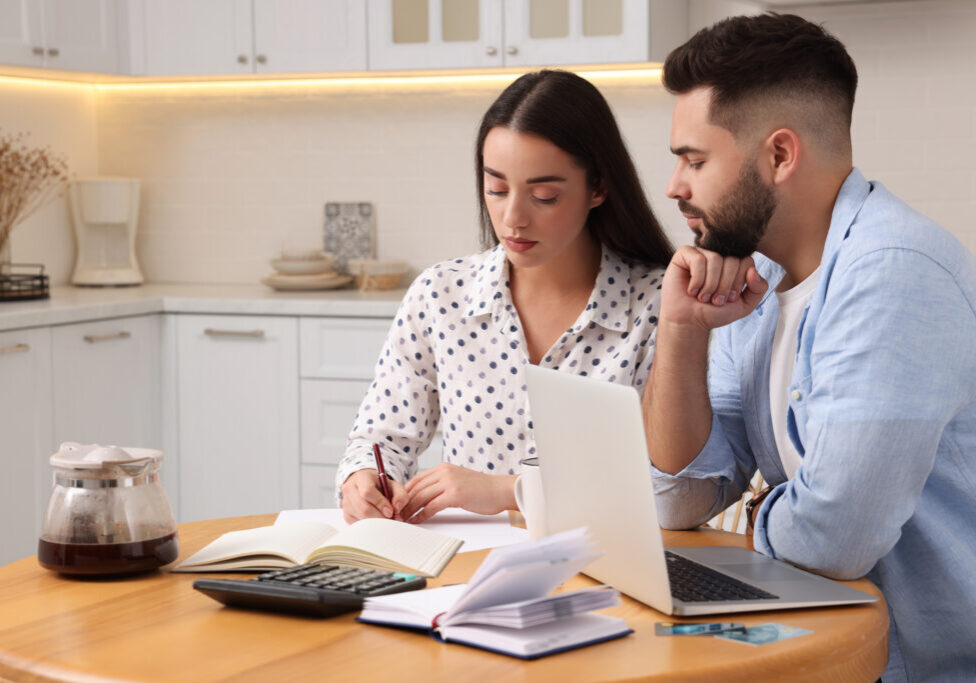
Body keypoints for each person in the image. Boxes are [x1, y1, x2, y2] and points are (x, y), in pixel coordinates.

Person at [643, 13, 976, 682]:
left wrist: (759, 516)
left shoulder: (893, 271)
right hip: (824, 642)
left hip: (913, 665)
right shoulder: (757, 280)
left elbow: (836, 537)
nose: (675, 186)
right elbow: (676, 499)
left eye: (694, 159)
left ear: (779, 155)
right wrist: (680, 331)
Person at [338, 70, 673, 526]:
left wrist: (507, 491)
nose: (513, 217)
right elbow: (382, 437)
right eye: (496, 188)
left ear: (598, 187)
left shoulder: (659, 306)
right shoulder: (441, 295)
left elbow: (665, 485)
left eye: (544, 196)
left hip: (607, 568)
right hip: (466, 570)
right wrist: (362, 479)